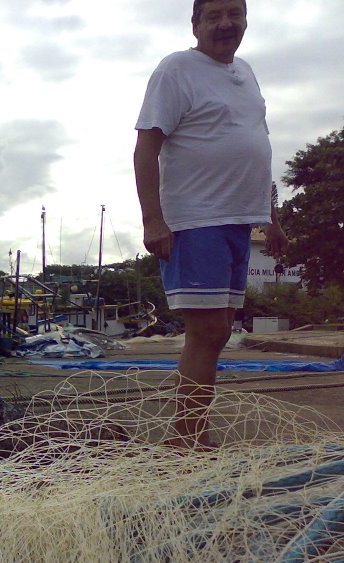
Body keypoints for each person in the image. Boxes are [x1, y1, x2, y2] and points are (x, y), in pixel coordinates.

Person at [133, 0, 288, 449]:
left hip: (241, 220)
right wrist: (153, 221)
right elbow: (146, 148)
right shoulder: (176, 69)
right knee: (208, 331)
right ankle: (187, 439)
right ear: (196, 23)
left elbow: (257, 146)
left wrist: (271, 219)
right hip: (197, 219)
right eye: (214, 15)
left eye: (234, 14)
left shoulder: (248, 73)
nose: (226, 24)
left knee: (220, 327)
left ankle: (191, 434)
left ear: (245, 20)